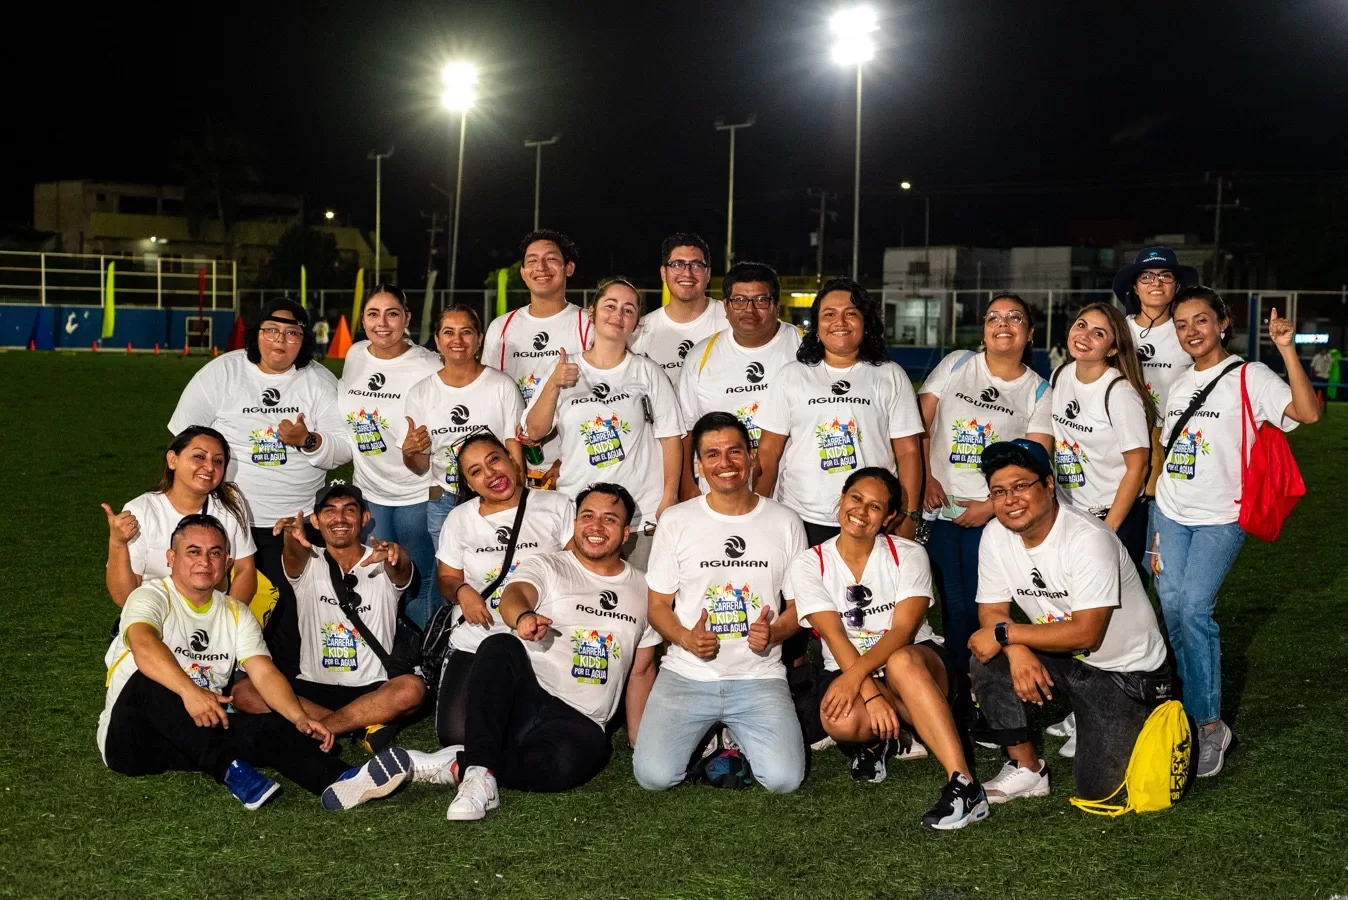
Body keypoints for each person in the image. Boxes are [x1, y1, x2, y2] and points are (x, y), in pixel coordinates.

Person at [97, 513, 412, 812]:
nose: (204, 561)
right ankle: (232, 772)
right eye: (193, 552)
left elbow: (264, 673)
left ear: (227, 562)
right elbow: (143, 644)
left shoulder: (236, 612)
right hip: (132, 742)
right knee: (148, 680)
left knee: (272, 725)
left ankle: (341, 780)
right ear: (171, 558)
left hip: (195, 737)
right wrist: (190, 692)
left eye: (215, 553)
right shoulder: (151, 596)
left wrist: (298, 718)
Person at [1152, 288, 1319, 777]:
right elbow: (1167, 445)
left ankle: (1209, 725)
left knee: (1194, 609)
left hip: (1222, 516)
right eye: (1182, 324)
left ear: (1222, 323)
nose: (1191, 331)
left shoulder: (1251, 375)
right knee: (1173, 609)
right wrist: (1156, 506)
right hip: (1170, 511)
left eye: (1201, 320)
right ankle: (1186, 704)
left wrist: (1286, 349)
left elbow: (1308, 413)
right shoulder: (1180, 382)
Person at [426, 484, 661, 821]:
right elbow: (515, 594)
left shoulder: (645, 588)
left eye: (609, 519)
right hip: (528, 697)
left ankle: (458, 764)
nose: (596, 527)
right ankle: (478, 776)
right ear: (575, 523)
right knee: (499, 645)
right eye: (588, 517)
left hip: (582, 719)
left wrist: (638, 740)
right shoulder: (548, 565)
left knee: (565, 767)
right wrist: (522, 616)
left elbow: (642, 670)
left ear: (625, 532)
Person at [967, 440, 1172, 804]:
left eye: (1021, 486)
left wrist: (1007, 633)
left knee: (1104, 793)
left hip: (1126, 673)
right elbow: (992, 612)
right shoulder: (996, 535)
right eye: (999, 492)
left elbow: (1087, 633)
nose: (1010, 500)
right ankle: (1027, 770)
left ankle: (1143, 713)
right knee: (986, 655)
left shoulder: (1087, 538)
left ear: (1049, 485)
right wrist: (1013, 648)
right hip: (1066, 659)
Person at [788, 467, 989, 829]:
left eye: (875, 506)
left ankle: (965, 785)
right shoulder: (808, 563)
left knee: (900, 661)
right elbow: (834, 636)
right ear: (841, 499)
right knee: (840, 719)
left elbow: (902, 631)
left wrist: (861, 684)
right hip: (850, 667)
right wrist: (868, 692)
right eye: (856, 499)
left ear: (889, 517)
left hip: (916, 663)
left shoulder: (909, 553)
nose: (861, 511)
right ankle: (883, 741)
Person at [168, 297, 347, 678]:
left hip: (296, 523)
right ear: (256, 334)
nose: (280, 340)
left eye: (292, 333)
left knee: (291, 618)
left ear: (304, 340)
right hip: (229, 522)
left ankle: (284, 685)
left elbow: (342, 449)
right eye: (271, 330)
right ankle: (215, 676)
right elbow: (186, 439)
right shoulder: (223, 372)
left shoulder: (319, 381)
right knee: (220, 607)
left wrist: (307, 440)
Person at [634, 412, 809, 794]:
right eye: (712, 454)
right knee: (654, 777)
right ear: (699, 465)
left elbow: (801, 608)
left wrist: (775, 632)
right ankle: (714, 735)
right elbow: (658, 605)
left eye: (734, 451)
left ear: (751, 457)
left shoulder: (785, 521)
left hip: (758, 676)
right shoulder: (676, 521)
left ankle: (729, 733)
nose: (725, 463)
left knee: (783, 780)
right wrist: (685, 637)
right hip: (687, 674)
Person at [918, 292, 1053, 679]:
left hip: (993, 515)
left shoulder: (1039, 391)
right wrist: (926, 477)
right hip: (940, 507)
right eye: (994, 317)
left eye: (1014, 318)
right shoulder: (957, 364)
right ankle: (958, 680)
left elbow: (1035, 465)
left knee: (983, 603)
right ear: (983, 329)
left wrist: (990, 507)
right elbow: (918, 426)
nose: (1002, 324)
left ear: (1029, 333)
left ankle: (981, 683)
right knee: (951, 602)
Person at [232, 483, 426, 751]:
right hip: (313, 686)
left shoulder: (382, 559)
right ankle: (361, 726)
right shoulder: (308, 560)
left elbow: (402, 569)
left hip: (372, 687)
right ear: (315, 521)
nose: (339, 518)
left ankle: (319, 729)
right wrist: (291, 536)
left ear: (365, 518)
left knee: (411, 689)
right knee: (244, 692)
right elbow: (293, 554)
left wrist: (397, 555)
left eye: (349, 510)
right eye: (330, 511)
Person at [522, 277, 684, 570]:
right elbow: (534, 431)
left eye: (628, 310)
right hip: (580, 514)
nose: (618, 315)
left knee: (640, 596)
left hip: (639, 516)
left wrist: (669, 497)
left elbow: (671, 436)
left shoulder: (647, 372)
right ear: (592, 312)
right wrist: (554, 384)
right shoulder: (563, 367)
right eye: (610, 306)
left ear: (636, 324)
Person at [754, 278, 924, 546]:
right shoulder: (792, 376)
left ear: (866, 322)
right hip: (801, 516)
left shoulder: (890, 375)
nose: (840, 322)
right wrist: (758, 512)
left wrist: (909, 513)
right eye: (829, 314)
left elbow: (908, 451)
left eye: (851, 314)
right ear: (817, 324)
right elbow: (768, 452)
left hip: (871, 518)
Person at [434, 431, 575, 746]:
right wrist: (461, 591)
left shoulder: (556, 505)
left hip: (539, 638)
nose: (491, 474)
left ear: (512, 459)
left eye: (494, 460)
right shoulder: (459, 519)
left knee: (533, 736)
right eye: (476, 471)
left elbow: (576, 571)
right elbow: (446, 578)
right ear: (470, 485)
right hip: (477, 639)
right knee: (456, 735)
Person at [336, 284, 443, 627]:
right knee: (376, 579)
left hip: (418, 493)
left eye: (392, 314)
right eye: (373, 314)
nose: (382, 323)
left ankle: (422, 651)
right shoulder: (355, 355)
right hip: (370, 493)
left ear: (407, 319)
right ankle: (383, 648)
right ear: (363, 320)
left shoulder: (428, 365)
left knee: (420, 582)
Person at [403, 305, 525, 565]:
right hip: (444, 500)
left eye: (466, 332)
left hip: (496, 495)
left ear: (479, 339)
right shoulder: (421, 393)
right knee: (450, 576)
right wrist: (409, 452)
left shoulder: (501, 385)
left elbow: (514, 452)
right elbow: (419, 466)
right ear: (437, 341)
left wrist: (518, 501)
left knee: (501, 569)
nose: (457, 340)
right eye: (448, 332)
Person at [675, 261, 801, 498]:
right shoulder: (701, 357)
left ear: (776, 305)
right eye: (739, 301)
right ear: (726, 305)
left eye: (761, 300)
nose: (749, 310)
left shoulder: (804, 348)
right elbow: (685, 429)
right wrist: (687, 485)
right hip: (719, 496)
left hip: (791, 496)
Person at [481, 230, 592, 486]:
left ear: (569, 268)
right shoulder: (501, 328)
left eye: (551, 259)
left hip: (572, 465)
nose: (540, 267)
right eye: (531, 260)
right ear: (523, 272)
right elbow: (489, 398)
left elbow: (599, 397)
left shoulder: (588, 324)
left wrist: (565, 460)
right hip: (515, 466)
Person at [1050, 302, 1156, 568]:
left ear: (1112, 349)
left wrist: (1108, 530)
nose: (1084, 336)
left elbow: (1138, 468)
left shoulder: (1120, 393)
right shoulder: (1059, 375)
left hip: (1112, 517)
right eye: (1081, 325)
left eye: (1098, 333)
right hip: (1068, 514)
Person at [103, 426, 257, 607]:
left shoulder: (231, 503)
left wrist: (229, 616)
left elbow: (245, 570)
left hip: (213, 614)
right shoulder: (141, 510)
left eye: (218, 461)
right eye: (199, 457)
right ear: (172, 460)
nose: (209, 467)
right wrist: (118, 543)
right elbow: (124, 598)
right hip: (156, 614)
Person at [1113, 247, 1199, 502]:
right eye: (1147, 276)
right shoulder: (1117, 331)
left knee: (1162, 511)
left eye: (1165, 275)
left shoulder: (1190, 332)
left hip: (1176, 443)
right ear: (1135, 287)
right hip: (1120, 440)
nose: (1156, 283)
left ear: (1177, 286)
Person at [629, 232, 726, 373]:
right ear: (663, 273)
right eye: (677, 264)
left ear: (708, 274)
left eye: (696, 265)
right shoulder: (641, 332)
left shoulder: (731, 319)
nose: (687, 273)